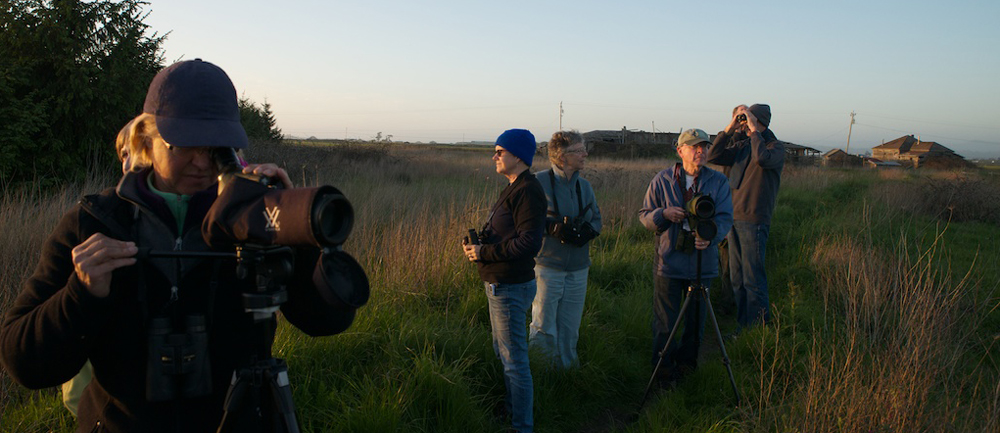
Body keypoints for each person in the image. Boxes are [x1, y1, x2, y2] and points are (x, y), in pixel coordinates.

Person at [0, 59, 365, 433]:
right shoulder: (94, 222)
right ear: (146, 139)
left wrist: (289, 228)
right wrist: (82, 295)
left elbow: (328, 321)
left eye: (215, 147)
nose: (201, 163)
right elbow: (23, 362)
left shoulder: (248, 222)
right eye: (184, 145)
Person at [463, 128, 546, 433]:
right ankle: (512, 410)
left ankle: (522, 426)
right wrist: (479, 248)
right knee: (505, 353)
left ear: (518, 155)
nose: (494, 156)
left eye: (500, 151)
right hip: (500, 283)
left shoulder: (528, 191)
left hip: (509, 285)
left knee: (515, 361)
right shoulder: (515, 186)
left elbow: (528, 243)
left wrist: (485, 250)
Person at [638, 128, 733, 384]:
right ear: (680, 151)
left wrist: (711, 236)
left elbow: (725, 218)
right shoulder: (662, 180)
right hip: (669, 262)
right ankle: (662, 371)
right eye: (694, 146)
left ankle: (688, 370)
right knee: (665, 323)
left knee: (695, 324)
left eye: (704, 146)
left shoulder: (718, 181)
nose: (701, 150)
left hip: (703, 264)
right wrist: (663, 215)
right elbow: (644, 215)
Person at [706, 104, 784, 329]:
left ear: (760, 122)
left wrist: (755, 131)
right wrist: (730, 127)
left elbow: (761, 159)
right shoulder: (742, 145)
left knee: (753, 279)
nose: (745, 125)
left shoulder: (773, 147)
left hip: (754, 220)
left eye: (749, 120)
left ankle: (758, 330)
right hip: (733, 218)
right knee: (737, 279)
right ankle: (744, 327)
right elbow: (714, 155)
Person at [530, 130, 601, 369]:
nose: (585, 154)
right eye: (579, 150)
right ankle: (541, 372)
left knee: (571, 324)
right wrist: (552, 228)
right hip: (548, 265)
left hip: (579, 267)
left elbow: (597, 218)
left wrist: (588, 232)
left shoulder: (585, 186)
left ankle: (568, 371)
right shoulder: (537, 182)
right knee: (543, 324)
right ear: (561, 156)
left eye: (584, 149)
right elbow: (524, 221)